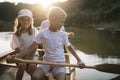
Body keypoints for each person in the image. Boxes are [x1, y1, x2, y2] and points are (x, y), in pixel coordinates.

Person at [18, 7, 85, 80]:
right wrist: (17, 57)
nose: (62, 24)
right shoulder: (42, 33)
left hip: (59, 64)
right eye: (61, 21)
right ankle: (45, 77)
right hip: (46, 63)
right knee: (35, 77)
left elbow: (70, 48)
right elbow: (30, 48)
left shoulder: (63, 34)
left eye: (63, 22)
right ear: (52, 19)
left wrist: (79, 60)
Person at [10, 9, 39, 80]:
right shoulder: (16, 34)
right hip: (21, 54)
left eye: (28, 19)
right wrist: (24, 57)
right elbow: (17, 49)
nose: (26, 21)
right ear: (19, 20)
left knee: (32, 65)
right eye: (23, 19)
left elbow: (35, 46)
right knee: (22, 65)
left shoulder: (34, 31)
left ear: (31, 21)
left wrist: (29, 57)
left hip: (33, 54)